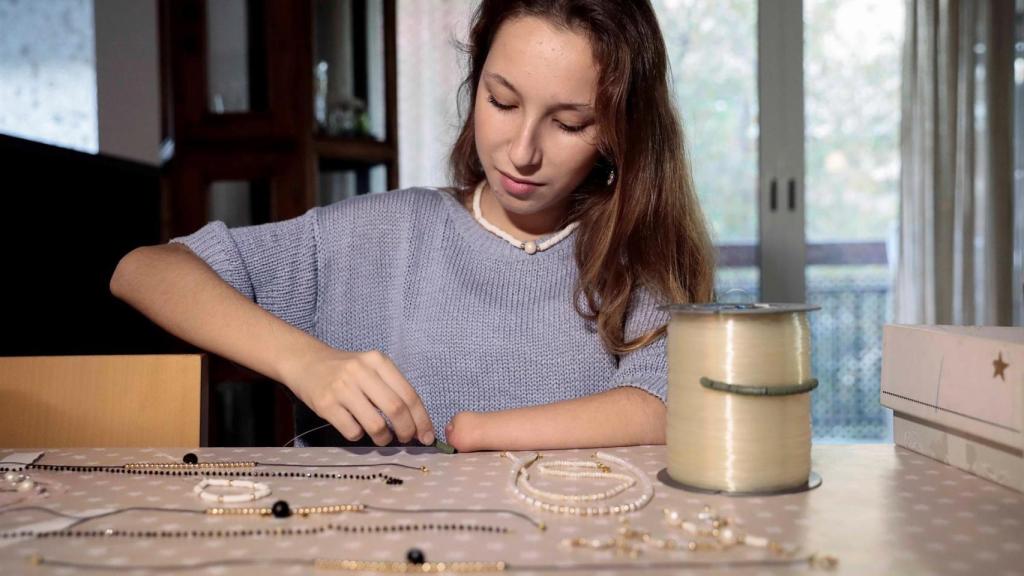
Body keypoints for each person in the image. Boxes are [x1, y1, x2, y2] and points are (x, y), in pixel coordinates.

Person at [110, 0, 714, 452]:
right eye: (501, 102)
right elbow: (144, 270)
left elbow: (661, 408)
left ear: (618, 133)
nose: (521, 151)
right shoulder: (379, 235)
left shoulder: (635, 257)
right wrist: (305, 361)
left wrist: (476, 432)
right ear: (474, 86)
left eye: (569, 123)